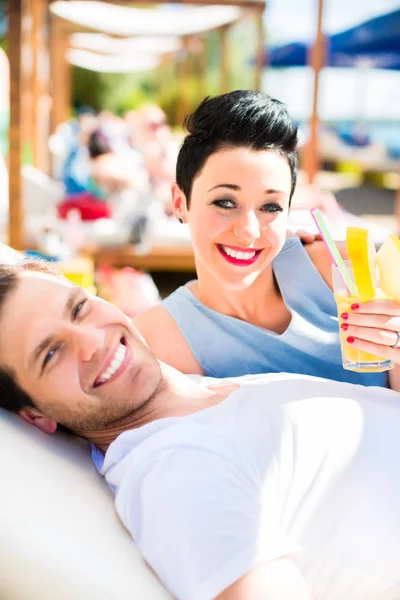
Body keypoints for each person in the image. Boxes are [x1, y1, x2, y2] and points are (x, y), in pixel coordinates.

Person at [0, 261, 400, 600]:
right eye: (51, 354)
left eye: (79, 308)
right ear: (35, 415)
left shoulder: (204, 393)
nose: (91, 342)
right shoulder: (177, 471)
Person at [134, 90, 400, 390]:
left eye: (270, 207)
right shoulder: (158, 340)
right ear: (180, 203)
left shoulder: (339, 271)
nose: (249, 230)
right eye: (225, 202)